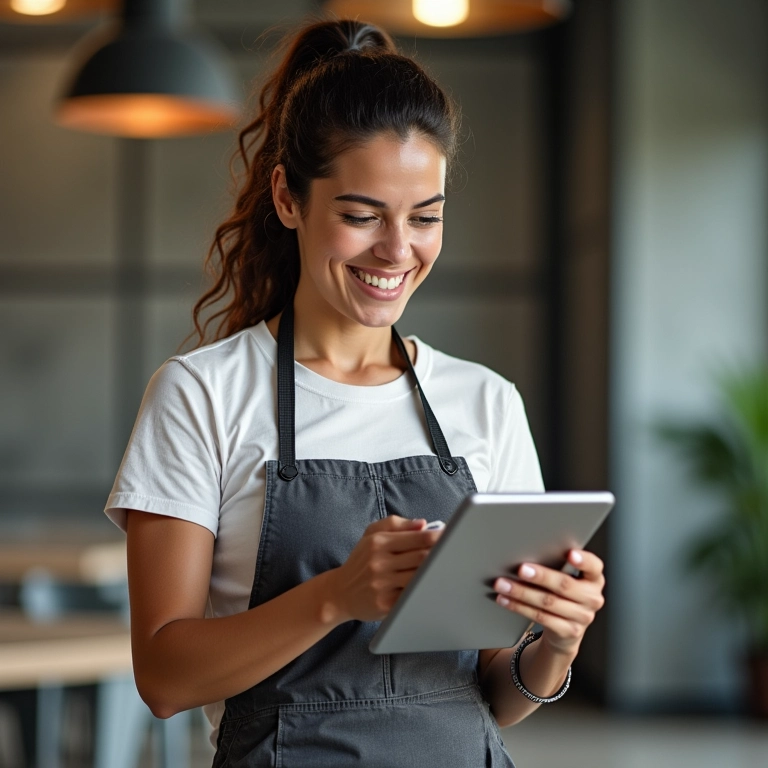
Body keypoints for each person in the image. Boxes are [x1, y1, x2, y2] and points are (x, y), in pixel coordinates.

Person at [105, 18, 606, 767]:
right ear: (288, 197)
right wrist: (334, 597)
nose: (397, 250)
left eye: (425, 217)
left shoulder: (486, 403)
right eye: (362, 215)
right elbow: (164, 678)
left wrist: (557, 643)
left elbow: (493, 696)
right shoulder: (201, 395)